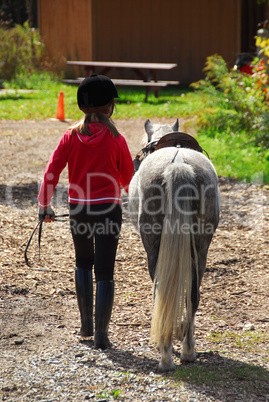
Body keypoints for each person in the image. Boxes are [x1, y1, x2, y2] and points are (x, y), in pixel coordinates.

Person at [38, 74, 134, 349]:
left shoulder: (70, 136)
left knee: (82, 262)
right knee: (105, 270)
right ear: (109, 107)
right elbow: (128, 176)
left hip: (79, 209)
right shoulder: (117, 138)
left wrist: (44, 204)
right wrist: (131, 195)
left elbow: (52, 171)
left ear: (82, 106)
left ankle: (85, 326)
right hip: (109, 210)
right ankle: (102, 336)